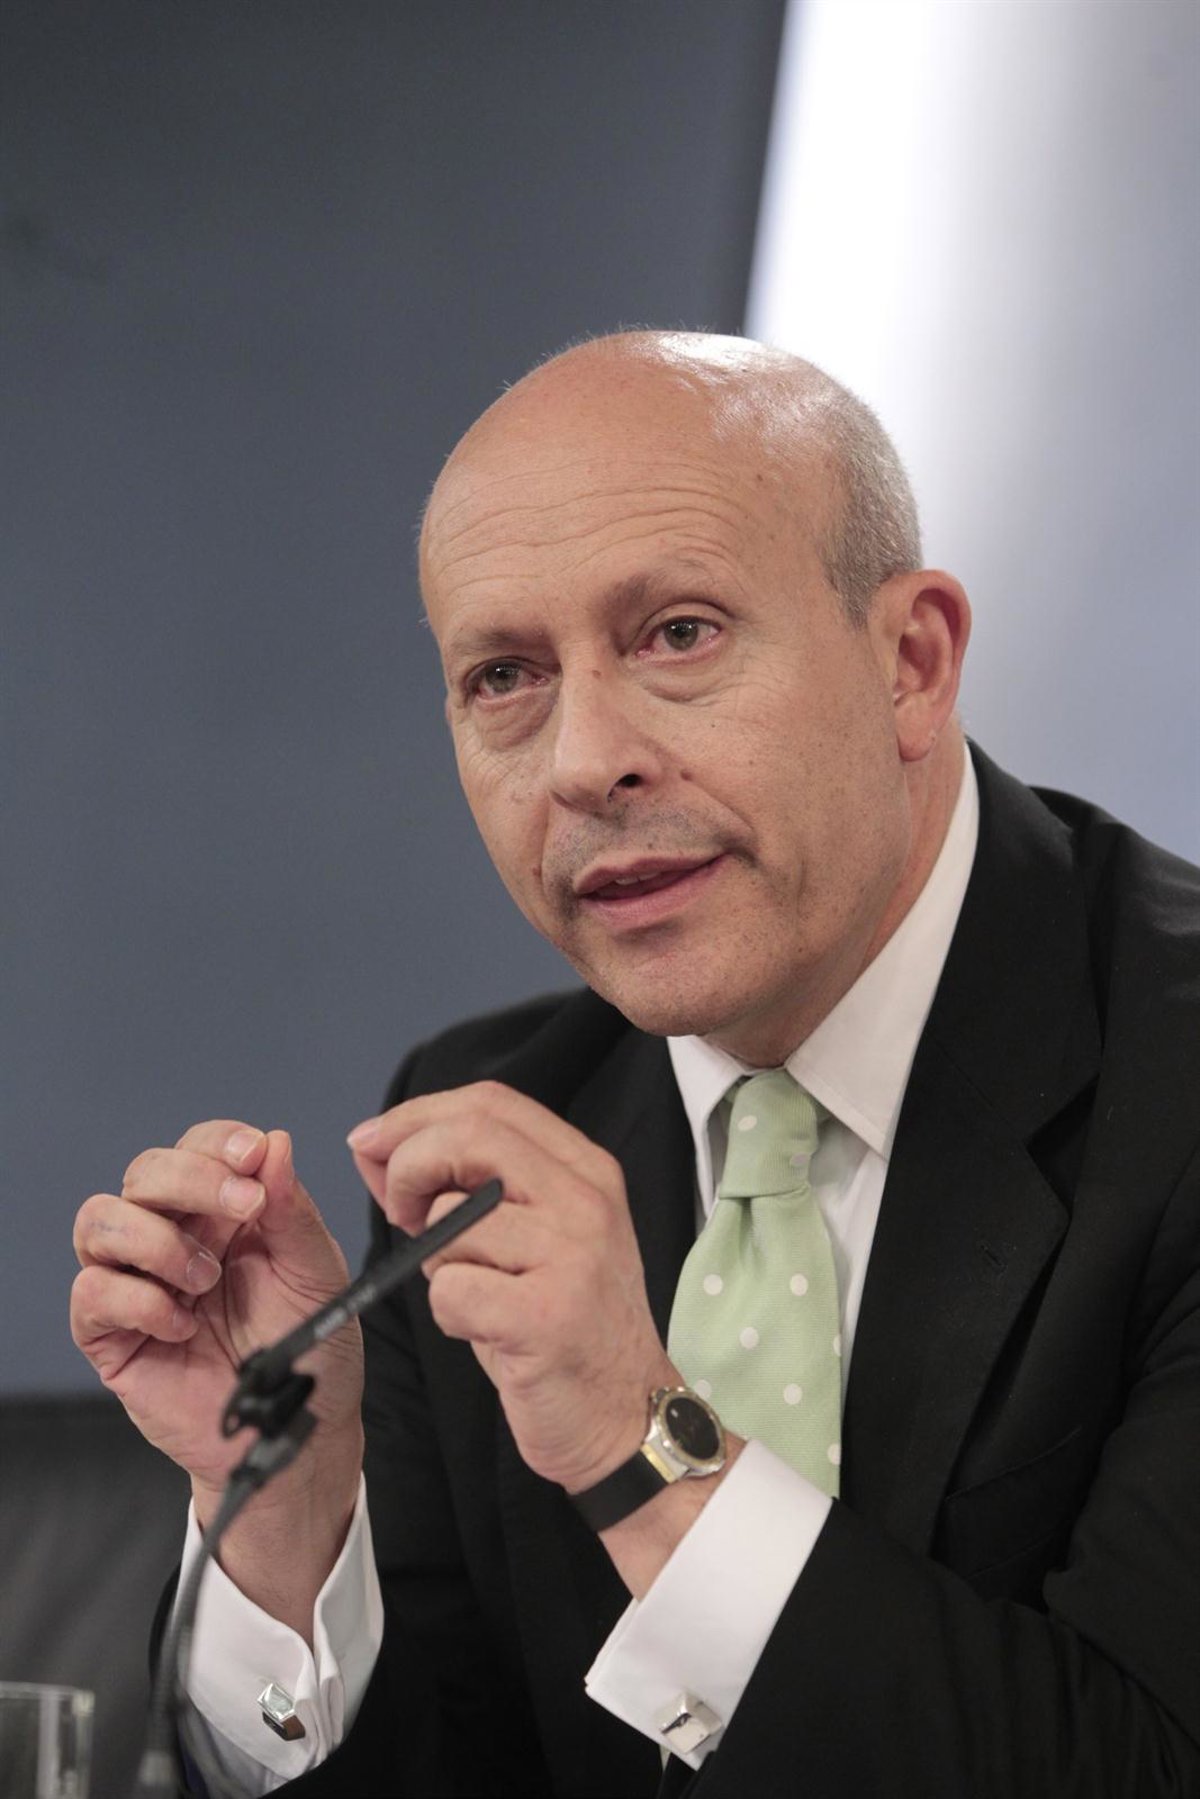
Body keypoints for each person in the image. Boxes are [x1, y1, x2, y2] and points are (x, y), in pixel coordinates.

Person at [70, 332, 1199, 1797]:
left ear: (911, 663)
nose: (581, 762)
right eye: (505, 676)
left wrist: (641, 1445)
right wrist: (285, 1517)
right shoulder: (494, 1135)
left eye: (679, 634)